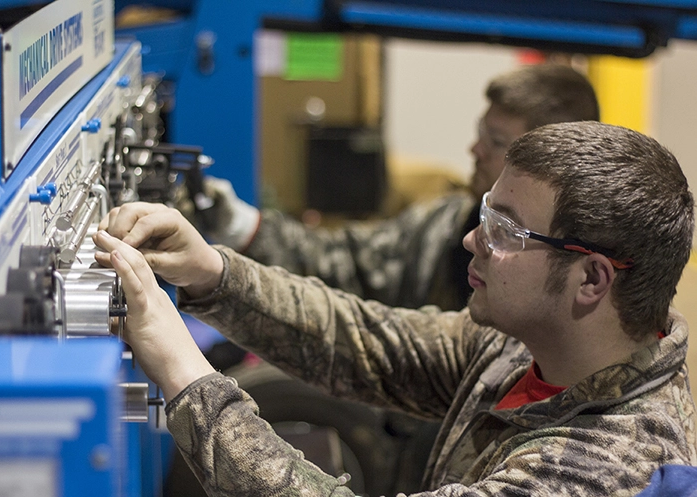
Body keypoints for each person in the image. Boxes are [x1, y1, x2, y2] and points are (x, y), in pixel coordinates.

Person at [94, 121, 696, 496]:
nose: (472, 241)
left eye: (507, 231)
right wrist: (215, 274)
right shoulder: (528, 350)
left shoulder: (608, 468)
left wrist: (182, 370)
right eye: (485, 216)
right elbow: (370, 342)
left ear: (591, 279)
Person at [198, 63, 600, 311]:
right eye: (480, 134)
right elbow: (352, 262)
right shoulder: (444, 223)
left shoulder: (562, 280)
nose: (474, 150)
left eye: (495, 143)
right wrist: (244, 227)